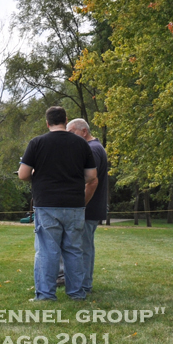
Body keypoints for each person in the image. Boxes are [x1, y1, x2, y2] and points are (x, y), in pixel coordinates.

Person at [18, 106, 97, 301]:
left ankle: (45, 294)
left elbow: (23, 174)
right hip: (75, 204)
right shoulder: (81, 144)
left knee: (47, 251)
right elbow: (91, 176)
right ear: (65, 119)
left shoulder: (37, 143)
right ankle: (77, 293)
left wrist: (37, 174)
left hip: (47, 204)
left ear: (47, 122)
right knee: (74, 250)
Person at [67, 118, 108, 293]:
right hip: (90, 207)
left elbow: (91, 181)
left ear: (84, 131)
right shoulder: (94, 148)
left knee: (83, 247)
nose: (70, 138)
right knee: (84, 246)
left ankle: (84, 284)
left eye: (72, 133)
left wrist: (79, 205)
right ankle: (82, 282)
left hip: (88, 207)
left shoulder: (93, 150)